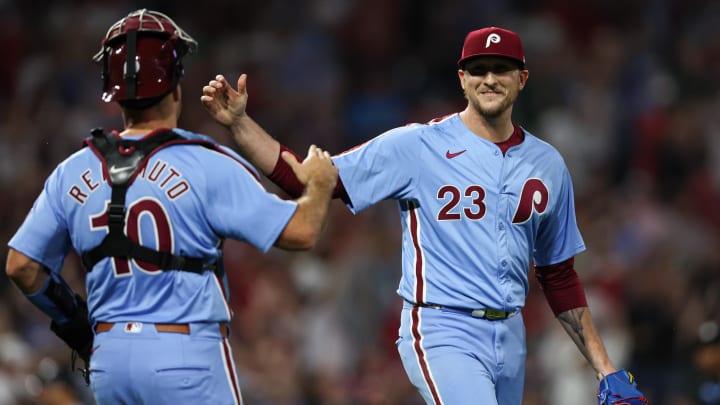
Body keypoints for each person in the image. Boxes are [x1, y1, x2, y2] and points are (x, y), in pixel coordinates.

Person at [201, 26, 648, 404]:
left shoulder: (548, 163)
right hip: (442, 325)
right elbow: (311, 180)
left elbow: (559, 275)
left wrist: (604, 367)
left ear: (522, 78)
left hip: (511, 335)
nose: (489, 79)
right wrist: (241, 125)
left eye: (501, 69)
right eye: (478, 70)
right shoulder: (417, 146)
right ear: (462, 78)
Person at [5, 9, 337, 405]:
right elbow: (301, 233)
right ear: (176, 85)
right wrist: (318, 185)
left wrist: (76, 325)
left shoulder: (72, 171)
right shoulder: (205, 162)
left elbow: (21, 266)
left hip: (110, 360)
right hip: (186, 355)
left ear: (113, 92)